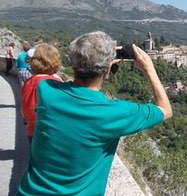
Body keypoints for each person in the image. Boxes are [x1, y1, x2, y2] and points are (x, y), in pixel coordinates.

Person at [17, 31, 172, 196]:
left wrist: (101, 57)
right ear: (107, 70)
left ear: (73, 64)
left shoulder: (46, 90)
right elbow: (165, 110)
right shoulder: (114, 113)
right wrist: (149, 69)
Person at [21, 44, 63, 145]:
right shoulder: (56, 82)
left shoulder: (27, 82)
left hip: (31, 129)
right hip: (49, 130)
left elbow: (23, 109)